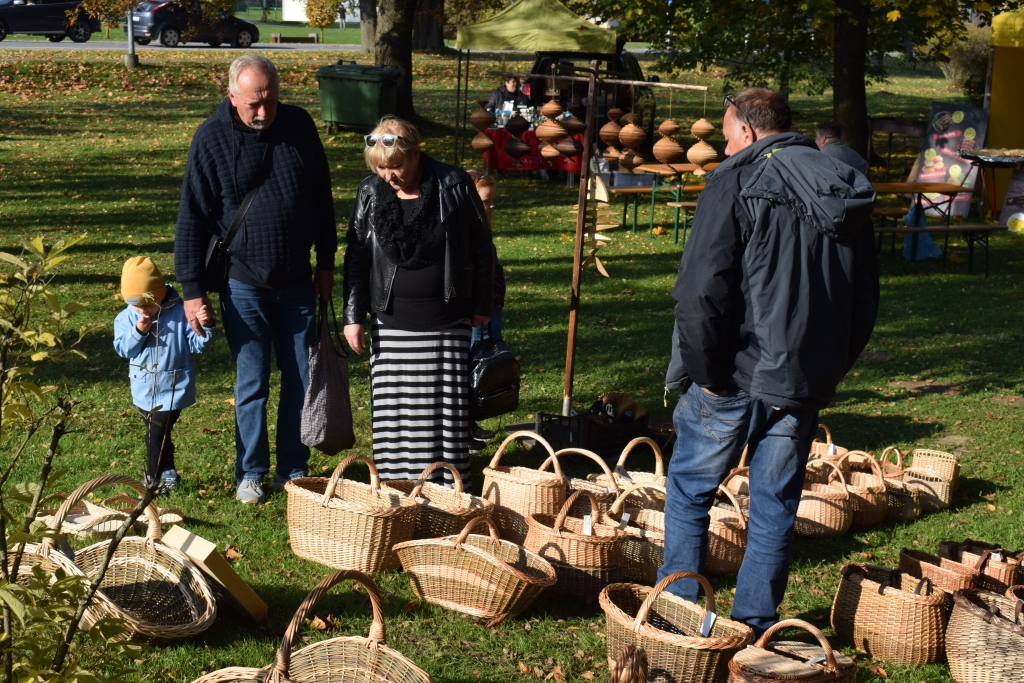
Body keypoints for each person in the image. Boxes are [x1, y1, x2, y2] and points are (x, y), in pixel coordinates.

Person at [661, 87, 879, 635]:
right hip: (798, 377)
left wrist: (707, 377)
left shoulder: (736, 179)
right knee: (775, 504)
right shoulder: (846, 185)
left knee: (690, 492)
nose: (726, 145)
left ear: (751, 131)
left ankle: (682, 618)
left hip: (736, 375)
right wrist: (825, 368)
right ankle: (755, 624)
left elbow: (698, 293)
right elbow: (866, 301)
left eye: (729, 134)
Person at [174, 54, 337, 505]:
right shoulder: (210, 139)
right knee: (253, 383)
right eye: (253, 104)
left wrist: (326, 263)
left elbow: (322, 197)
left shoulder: (300, 126)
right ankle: (250, 470)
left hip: (299, 280)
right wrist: (192, 291)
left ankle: (293, 466)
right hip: (243, 282)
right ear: (232, 96)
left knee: (301, 378)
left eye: (270, 100)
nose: (264, 111)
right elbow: (193, 217)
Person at [343, 116, 494, 486]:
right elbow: (357, 255)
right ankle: (396, 492)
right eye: (380, 167)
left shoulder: (453, 183)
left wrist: (483, 304)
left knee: (443, 418)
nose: (388, 176)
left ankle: (448, 494)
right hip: (390, 324)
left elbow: (481, 247)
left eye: (395, 166)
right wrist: (353, 316)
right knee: (396, 419)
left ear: (415, 153)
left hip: (447, 322)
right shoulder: (369, 192)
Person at [113, 256, 215, 493]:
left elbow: (199, 345)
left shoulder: (181, 312)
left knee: (156, 434)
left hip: (173, 387)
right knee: (159, 433)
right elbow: (122, 349)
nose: (141, 311)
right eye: (135, 305)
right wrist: (138, 332)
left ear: (159, 295)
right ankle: (167, 468)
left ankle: (151, 481)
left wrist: (206, 326)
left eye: (147, 305)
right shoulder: (127, 317)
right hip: (142, 387)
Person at [465, 169, 504, 453]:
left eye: (492, 201)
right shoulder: (465, 233)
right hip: (475, 311)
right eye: (485, 201)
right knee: (472, 366)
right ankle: (463, 427)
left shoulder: (482, 228)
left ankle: (473, 420)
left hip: (490, 308)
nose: (491, 206)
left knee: (484, 365)